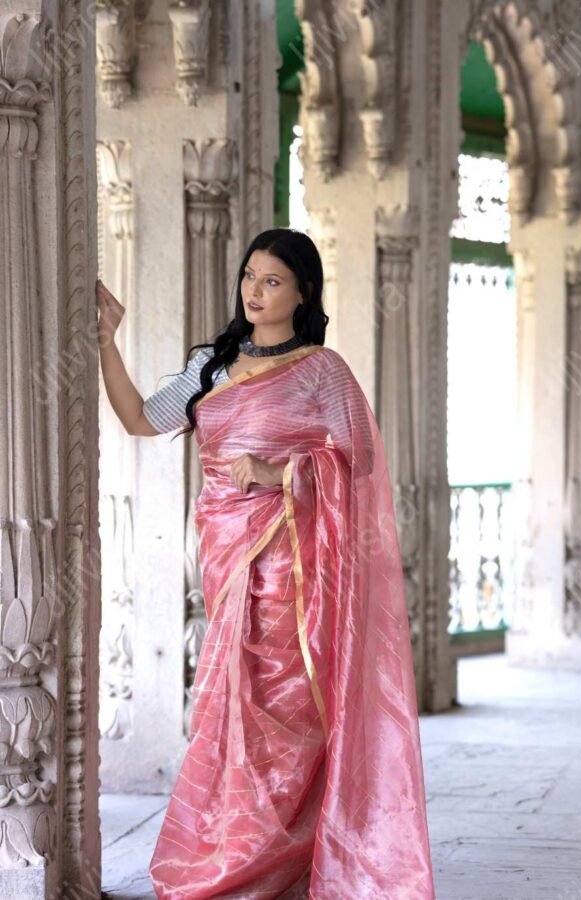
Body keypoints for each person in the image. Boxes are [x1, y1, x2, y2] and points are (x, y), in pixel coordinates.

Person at [97, 227, 436, 899]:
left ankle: (291, 848)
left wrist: (280, 469)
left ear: (301, 292)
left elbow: (359, 462)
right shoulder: (211, 365)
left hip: (295, 565)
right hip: (225, 555)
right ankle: (230, 846)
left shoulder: (321, 371)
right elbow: (140, 418)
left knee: (287, 701)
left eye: (272, 280)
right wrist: (106, 339)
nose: (255, 291)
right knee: (230, 701)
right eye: (249, 277)